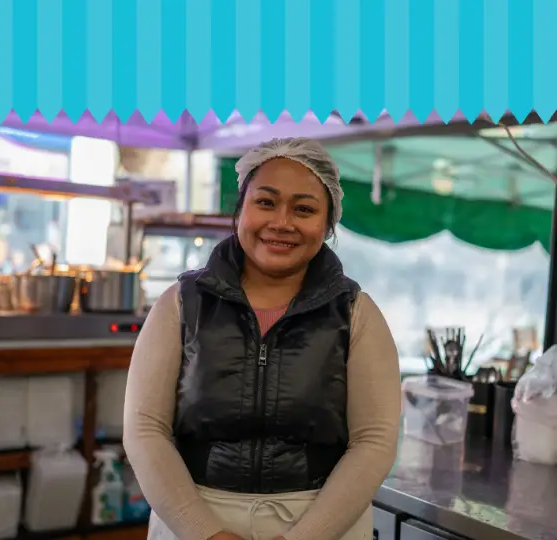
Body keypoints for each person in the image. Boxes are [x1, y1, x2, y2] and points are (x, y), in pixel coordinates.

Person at [124, 137, 401, 540]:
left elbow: (374, 442)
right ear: (239, 210)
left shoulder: (357, 314)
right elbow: (144, 428)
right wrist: (205, 533)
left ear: (328, 225)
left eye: (304, 209)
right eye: (266, 202)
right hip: (193, 517)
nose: (282, 223)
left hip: (320, 522)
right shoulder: (181, 304)